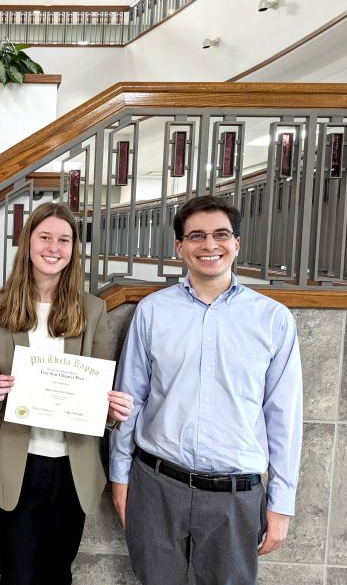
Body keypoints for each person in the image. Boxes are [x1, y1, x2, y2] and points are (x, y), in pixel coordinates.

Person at [110, 195, 304, 585]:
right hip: (157, 487)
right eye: (196, 236)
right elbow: (129, 400)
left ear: (237, 243)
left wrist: (281, 503)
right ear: (180, 247)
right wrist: (120, 477)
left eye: (220, 234)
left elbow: (284, 417)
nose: (209, 245)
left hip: (236, 497)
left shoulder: (274, 320)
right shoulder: (152, 311)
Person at [0, 202, 134, 585]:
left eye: (64, 240)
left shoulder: (93, 310)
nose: (54, 247)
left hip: (71, 465)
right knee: (14, 573)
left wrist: (112, 410)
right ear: (28, 241)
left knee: (57, 572)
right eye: (44, 237)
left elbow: (99, 387)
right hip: (17, 460)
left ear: (73, 249)